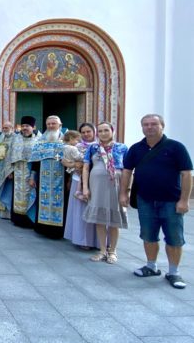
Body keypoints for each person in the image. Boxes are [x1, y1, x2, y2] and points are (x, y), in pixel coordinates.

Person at [121, 114, 192, 289]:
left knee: (174, 237)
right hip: (145, 200)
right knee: (148, 235)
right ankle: (151, 266)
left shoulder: (176, 147)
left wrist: (184, 200)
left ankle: (174, 272)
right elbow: (127, 171)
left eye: (154, 124)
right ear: (142, 127)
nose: (149, 127)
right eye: (146, 124)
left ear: (162, 126)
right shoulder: (137, 148)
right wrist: (123, 193)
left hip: (171, 201)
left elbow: (186, 174)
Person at [82, 122, 128, 264]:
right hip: (97, 186)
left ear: (112, 131)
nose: (103, 133)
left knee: (114, 219)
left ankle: (112, 251)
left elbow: (128, 170)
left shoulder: (122, 147)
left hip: (116, 185)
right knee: (100, 219)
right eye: (100, 131)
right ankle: (102, 250)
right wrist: (85, 187)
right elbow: (85, 167)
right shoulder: (93, 148)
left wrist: (127, 190)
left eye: (106, 130)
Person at [28, 115, 67, 239]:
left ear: (60, 125)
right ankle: (42, 228)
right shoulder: (40, 142)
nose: (50, 126)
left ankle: (59, 231)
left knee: (62, 202)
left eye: (53, 124)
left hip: (61, 178)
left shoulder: (66, 140)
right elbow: (35, 161)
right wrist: (32, 177)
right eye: (48, 124)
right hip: (43, 179)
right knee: (43, 200)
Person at [0, 116, 40, 228]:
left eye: (27, 126)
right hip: (17, 172)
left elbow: (37, 161)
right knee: (16, 195)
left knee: (29, 194)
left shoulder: (38, 140)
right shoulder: (16, 139)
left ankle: (29, 220)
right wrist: (10, 171)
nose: (25, 128)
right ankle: (17, 219)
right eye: (23, 126)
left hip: (30, 173)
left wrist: (33, 176)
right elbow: (9, 156)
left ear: (33, 127)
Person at [63, 124, 99, 249]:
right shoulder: (75, 147)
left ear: (94, 132)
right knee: (81, 211)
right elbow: (64, 161)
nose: (86, 134)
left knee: (96, 211)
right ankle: (83, 240)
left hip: (96, 182)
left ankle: (98, 241)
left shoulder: (101, 146)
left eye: (88, 131)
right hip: (78, 180)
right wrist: (75, 164)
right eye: (83, 132)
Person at [0, 121, 15, 218]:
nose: (4, 129)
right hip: (0, 167)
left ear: (12, 128)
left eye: (6, 127)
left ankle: (8, 212)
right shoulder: (1, 138)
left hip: (9, 168)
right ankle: (0, 210)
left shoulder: (15, 139)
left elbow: (15, 155)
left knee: (7, 189)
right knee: (0, 186)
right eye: (3, 128)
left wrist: (12, 170)